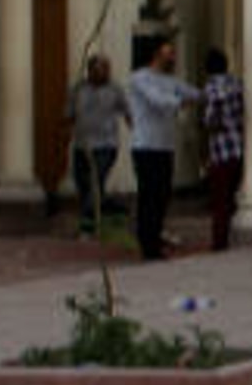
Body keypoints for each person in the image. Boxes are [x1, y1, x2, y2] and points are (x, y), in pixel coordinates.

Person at [127, 40, 201, 261]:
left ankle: (155, 236)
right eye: (169, 53)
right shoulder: (140, 78)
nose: (173, 58)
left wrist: (205, 94)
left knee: (162, 195)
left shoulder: (171, 80)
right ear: (156, 55)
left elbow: (194, 93)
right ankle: (147, 244)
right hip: (145, 146)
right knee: (148, 196)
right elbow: (157, 100)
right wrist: (180, 102)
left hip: (165, 146)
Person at [62, 54, 129, 236]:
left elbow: (127, 111)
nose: (105, 73)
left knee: (95, 181)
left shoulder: (115, 89)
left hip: (106, 145)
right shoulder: (78, 89)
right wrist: (67, 133)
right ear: (90, 70)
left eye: (107, 69)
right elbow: (69, 114)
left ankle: (87, 225)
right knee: (83, 184)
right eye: (100, 69)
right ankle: (110, 209)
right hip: (82, 145)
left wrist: (136, 131)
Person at [200, 48, 245, 252]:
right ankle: (230, 232)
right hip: (238, 146)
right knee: (231, 195)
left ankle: (220, 241)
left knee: (220, 199)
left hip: (221, 149)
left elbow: (211, 119)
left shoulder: (211, 88)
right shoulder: (237, 84)